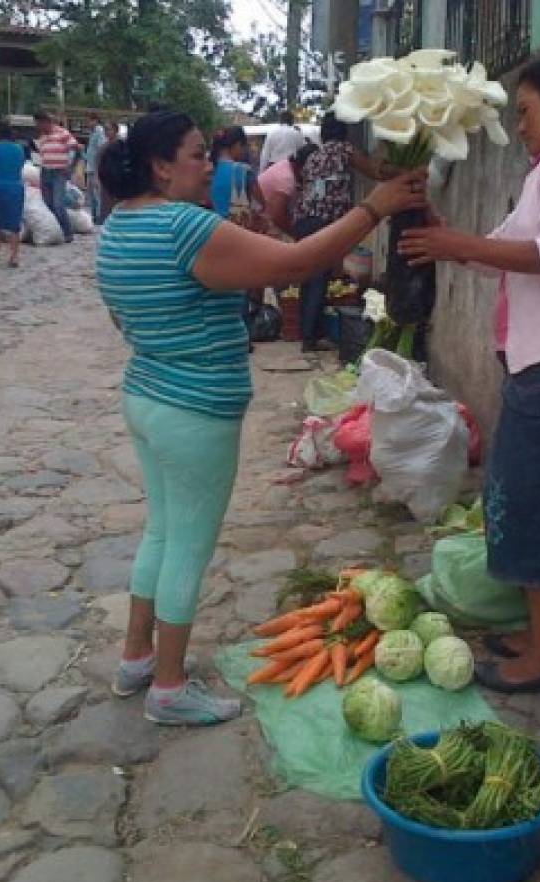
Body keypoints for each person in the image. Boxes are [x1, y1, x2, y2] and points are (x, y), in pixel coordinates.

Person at [96, 109, 425, 725]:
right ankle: (168, 689)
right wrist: (374, 207)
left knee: (162, 532)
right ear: (161, 166)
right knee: (188, 544)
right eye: (199, 155)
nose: (214, 166)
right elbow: (297, 265)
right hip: (194, 408)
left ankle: (136, 658)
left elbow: (124, 318)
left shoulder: (119, 225)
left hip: (146, 395)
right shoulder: (184, 227)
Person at [398, 55, 540, 695]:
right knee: (527, 498)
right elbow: (504, 246)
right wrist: (448, 236)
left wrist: (459, 246)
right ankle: (538, 632)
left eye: (525, 111)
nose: (519, 126)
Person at [293, 112, 388, 352]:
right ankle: (310, 338)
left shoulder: (314, 156)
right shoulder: (344, 150)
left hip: (304, 219)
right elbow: (374, 171)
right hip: (324, 222)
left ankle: (307, 332)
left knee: (308, 276)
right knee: (319, 278)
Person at [0, 120, 25, 268]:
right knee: (15, 223)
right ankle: (14, 256)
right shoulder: (19, 149)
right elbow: (20, 166)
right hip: (15, 187)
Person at [34, 110, 80, 243]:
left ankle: (68, 233)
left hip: (59, 173)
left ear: (46, 122)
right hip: (45, 172)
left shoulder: (62, 133)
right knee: (48, 204)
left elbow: (77, 150)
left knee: (58, 204)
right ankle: (57, 231)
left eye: (39, 124)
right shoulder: (41, 137)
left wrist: (70, 168)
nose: (38, 127)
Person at [258, 143, 318, 238]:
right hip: (263, 221)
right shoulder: (286, 179)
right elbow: (277, 217)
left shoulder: (286, 164)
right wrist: (293, 235)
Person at [209, 126, 259, 224]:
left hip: (210, 229)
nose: (244, 151)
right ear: (237, 144)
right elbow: (261, 205)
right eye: (243, 147)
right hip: (236, 231)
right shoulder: (244, 171)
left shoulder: (207, 170)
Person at [85, 113, 109, 224]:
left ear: (95, 120)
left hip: (95, 167)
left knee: (96, 193)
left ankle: (100, 216)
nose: (87, 123)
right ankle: (94, 216)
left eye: (89, 120)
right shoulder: (92, 133)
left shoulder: (99, 132)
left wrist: (97, 168)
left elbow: (101, 148)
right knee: (91, 194)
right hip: (90, 166)